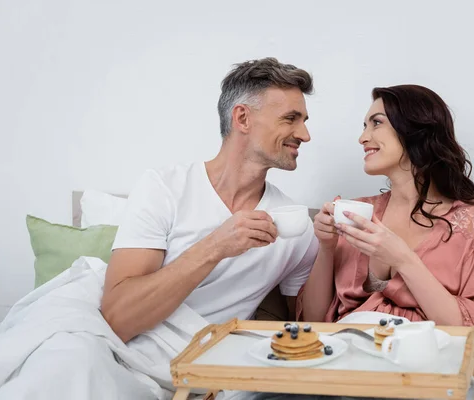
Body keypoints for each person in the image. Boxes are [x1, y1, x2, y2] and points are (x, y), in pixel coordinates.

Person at [101, 57, 319, 343]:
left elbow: (307, 333)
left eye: (304, 121)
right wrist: (216, 246)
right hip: (122, 351)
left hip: (207, 365)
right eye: (291, 119)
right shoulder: (164, 188)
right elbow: (117, 320)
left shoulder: (296, 228)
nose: (305, 135)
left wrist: (328, 248)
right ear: (242, 118)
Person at [298, 84, 474, 377]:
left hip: (425, 363)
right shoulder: (356, 214)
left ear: (414, 130)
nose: (363, 137)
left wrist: (402, 259)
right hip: (346, 359)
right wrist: (326, 246)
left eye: (377, 123)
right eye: (364, 125)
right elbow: (314, 320)